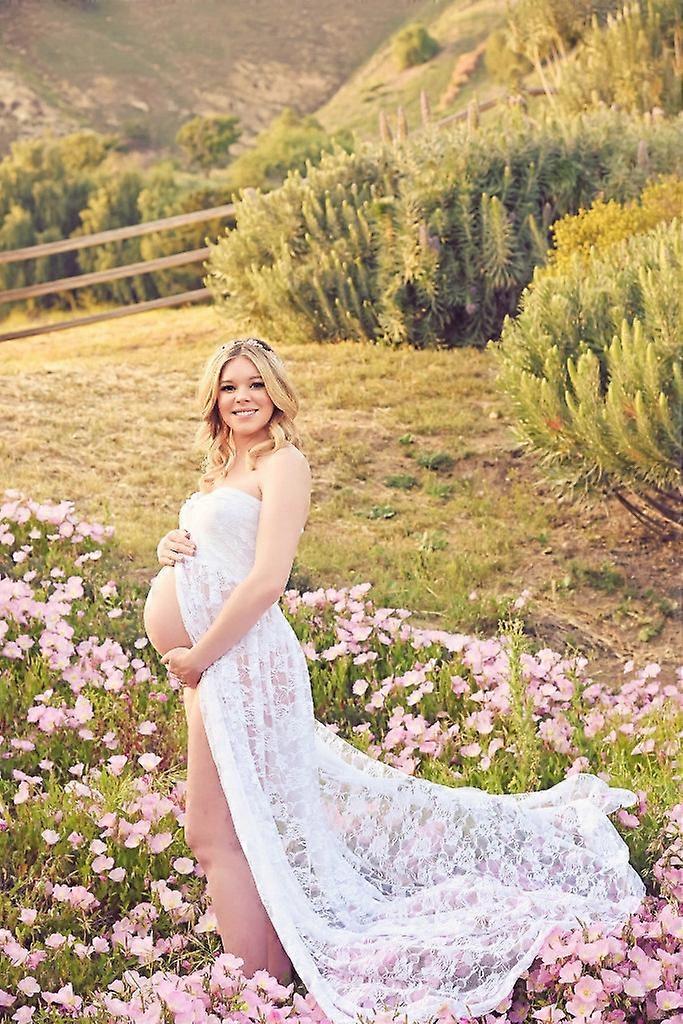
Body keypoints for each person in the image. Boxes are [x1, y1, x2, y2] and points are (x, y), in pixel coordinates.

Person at [143, 337, 645, 1024]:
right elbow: (219, 553)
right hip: (214, 666)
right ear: (214, 398)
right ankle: (264, 982)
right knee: (229, 830)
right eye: (229, 386)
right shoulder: (222, 468)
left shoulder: (284, 463)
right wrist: (170, 548)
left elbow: (267, 580)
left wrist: (200, 654)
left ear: (276, 392)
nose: (243, 397)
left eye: (255, 384)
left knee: (216, 832)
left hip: (240, 660)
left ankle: (256, 991)